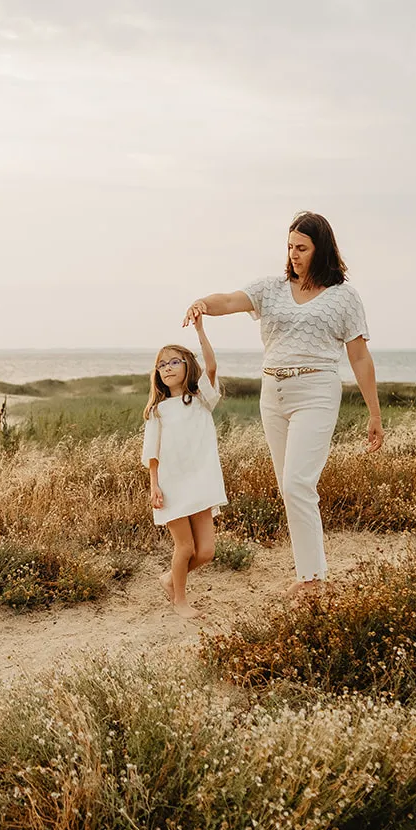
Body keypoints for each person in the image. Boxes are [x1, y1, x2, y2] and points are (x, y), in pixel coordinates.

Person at [183, 210, 382, 596]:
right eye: (290, 246)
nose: (294, 254)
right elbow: (229, 299)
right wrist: (201, 304)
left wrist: (374, 414)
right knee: (289, 487)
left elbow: (359, 357)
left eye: (302, 248)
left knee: (297, 484)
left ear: (321, 249)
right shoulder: (270, 288)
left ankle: (312, 581)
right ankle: (311, 572)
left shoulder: (344, 297)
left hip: (317, 392)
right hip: (272, 394)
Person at [141, 315, 228, 619]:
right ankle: (180, 601)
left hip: (201, 482)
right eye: (161, 365)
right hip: (172, 485)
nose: (166, 368)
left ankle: (169, 579)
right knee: (185, 548)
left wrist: (201, 329)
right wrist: (154, 485)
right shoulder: (157, 411)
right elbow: (151, 454)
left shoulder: (201, 399)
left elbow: (213, 367)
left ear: (188, 365)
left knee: (205, 552)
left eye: (173, 362)